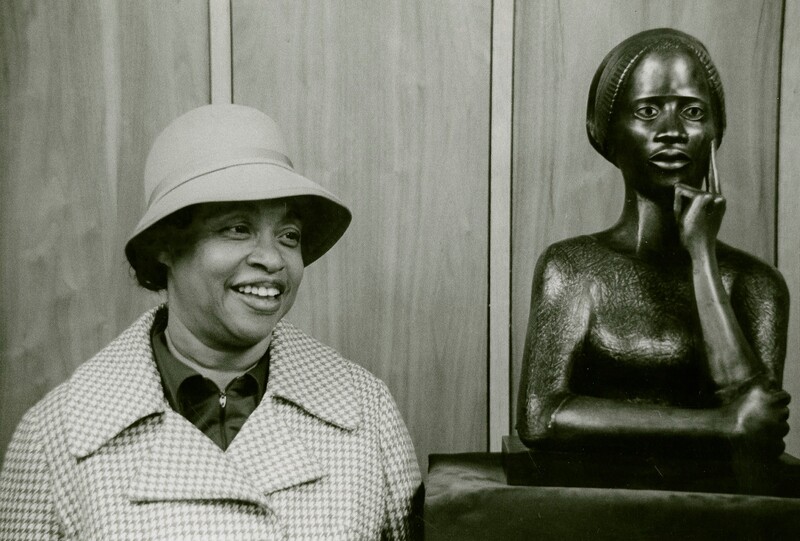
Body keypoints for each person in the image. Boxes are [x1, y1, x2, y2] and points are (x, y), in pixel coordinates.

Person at [0, 104, 422, 539]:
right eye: (237, 229)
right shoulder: (54, 439)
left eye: (288, 236)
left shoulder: (367, 413)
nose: (273, 259)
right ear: (165, 244)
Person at [516, 28, 790, 458]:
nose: (672, 131)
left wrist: (702, 256)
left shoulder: (757, 284)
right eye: (647, 111)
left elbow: (759, 429)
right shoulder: (572, 266)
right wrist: (720, 426)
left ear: (716, 131)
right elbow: (540, 417)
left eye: (694, 112)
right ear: (609, 132)